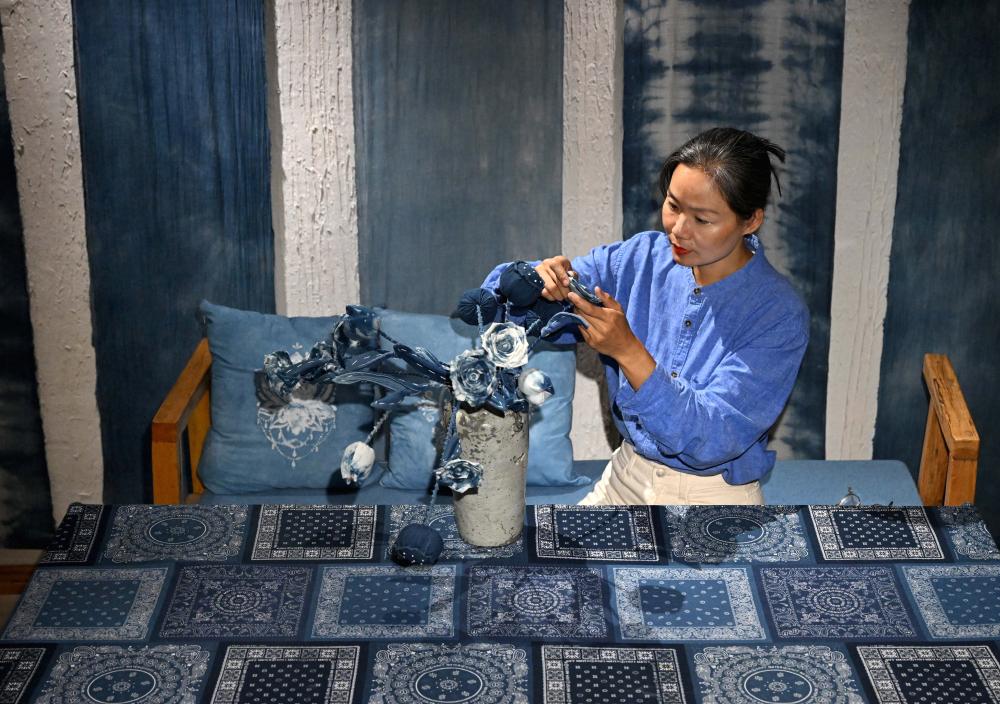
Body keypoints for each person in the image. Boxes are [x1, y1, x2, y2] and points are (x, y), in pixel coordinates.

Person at [483, 127, 809, 505]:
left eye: (702, 219)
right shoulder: (639, 258)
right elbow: (497, 305)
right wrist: (534, 281)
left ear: (750, 221)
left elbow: (712, 437)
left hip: (715, 495)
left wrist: (628, 350)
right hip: (625, 476)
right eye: (673, 205)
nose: (678, 230)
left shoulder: (778, 314)